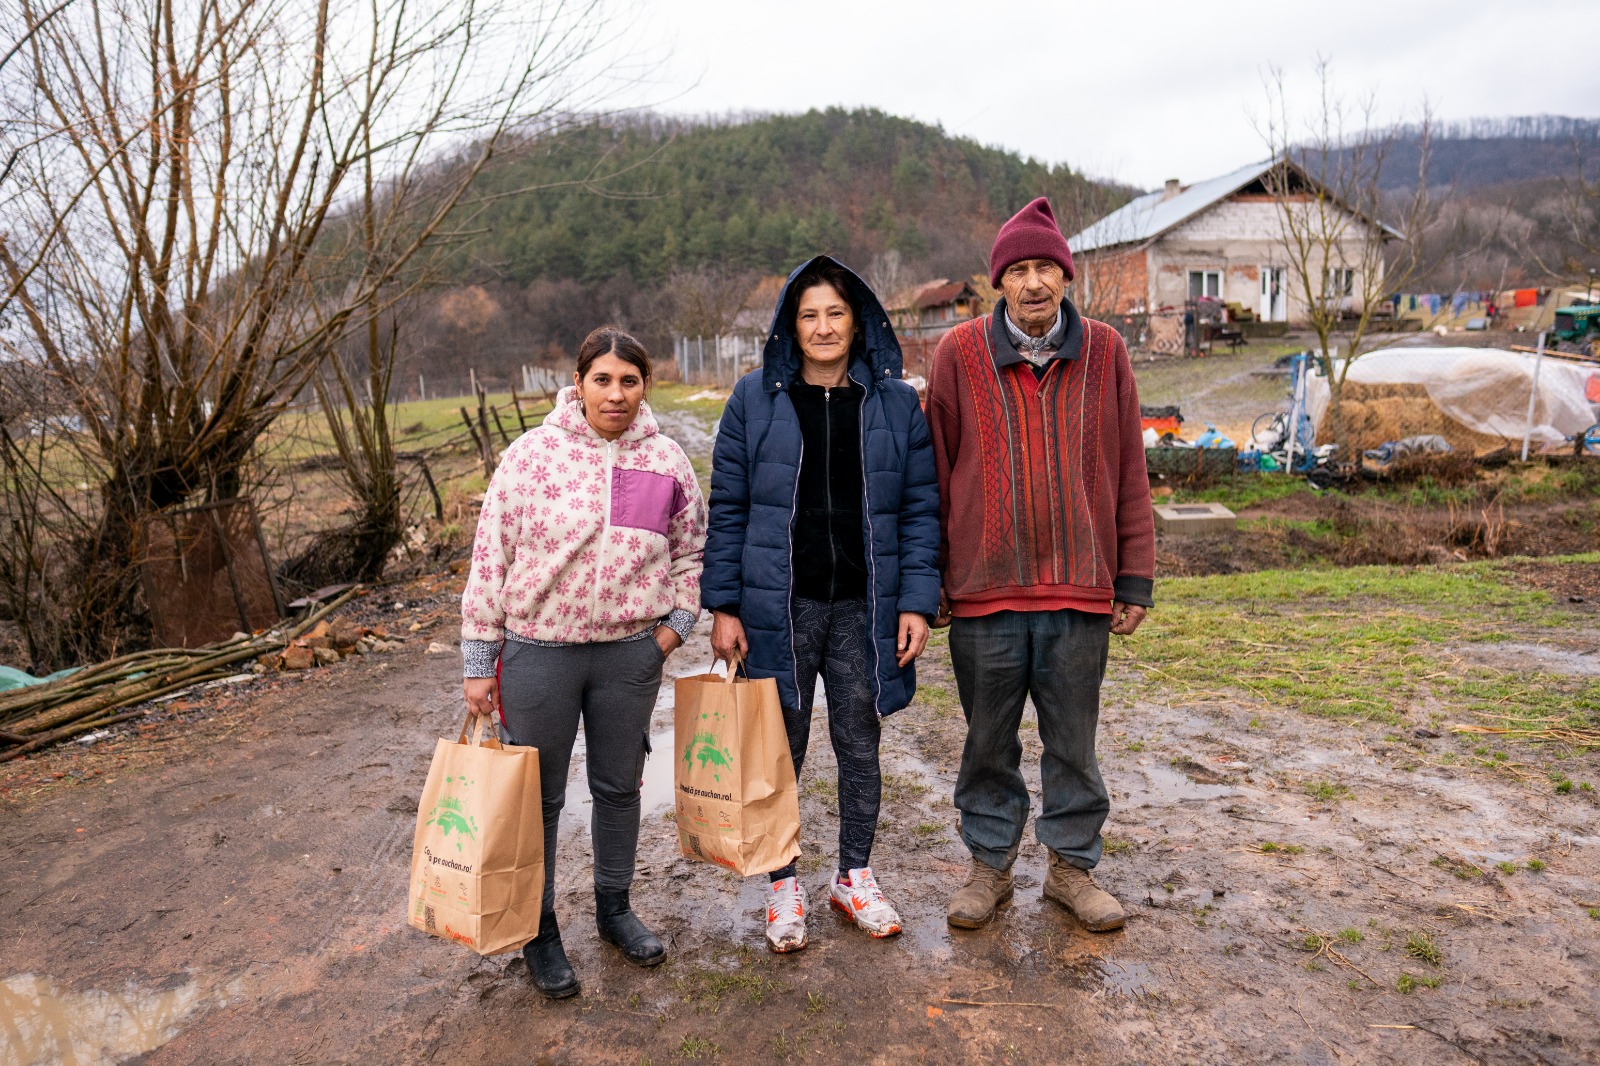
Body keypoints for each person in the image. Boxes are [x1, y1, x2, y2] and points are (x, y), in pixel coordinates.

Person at [925, 198, 1155, 934]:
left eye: (1045, 269)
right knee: (987, 743)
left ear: (1066, 275)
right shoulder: (957, 355)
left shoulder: (1107, 352)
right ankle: (989, 867)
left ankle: (1071, 869)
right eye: (1018, 270)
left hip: (1080, 591)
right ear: (999, 281)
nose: (1033, 283)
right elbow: (930, 473)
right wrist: (927, 578)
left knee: (1073, 744)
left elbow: (1128, 469)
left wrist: (1134, 576)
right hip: (984, 591)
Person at [702, 256, 940, 954]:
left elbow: (921, 510)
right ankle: (783, 886)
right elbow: (730, 507)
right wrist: (724, 604)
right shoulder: (754, 399)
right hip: (782, 606)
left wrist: (917, 602)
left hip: (865, 607)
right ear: (790, 325)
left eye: (836, 312)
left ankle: (854, 876)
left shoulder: (896, 403)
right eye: (809, 314)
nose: (824, 326)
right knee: (783, 749)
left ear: (857, 319)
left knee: (859, 744)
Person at [460, 326, 706, 999]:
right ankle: (539, 930)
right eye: (603, 379)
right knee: (535, 799)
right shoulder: (530, 458)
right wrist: (481, 658)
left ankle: (614, 909)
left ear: (644, 386)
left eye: (629, 381)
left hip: (629, 654)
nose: (616, 393)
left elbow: (691, 551)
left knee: (619, 787)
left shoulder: (668, 463)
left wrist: (674, 627)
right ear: (579, 384)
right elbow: (489, 560)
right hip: (539, 654)